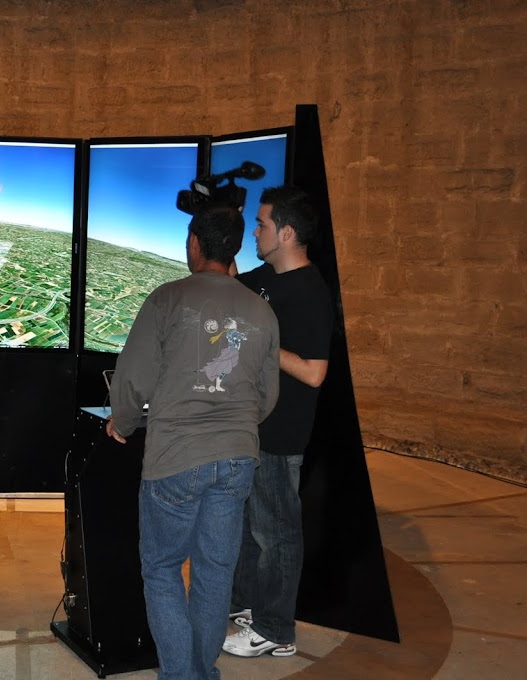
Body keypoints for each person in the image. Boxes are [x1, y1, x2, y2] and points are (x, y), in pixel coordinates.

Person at [105, 202, 279, 679]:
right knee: (215, 572)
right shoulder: (262, 311)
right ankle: (201, 672)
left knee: (162, 570)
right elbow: (267, 397)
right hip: (238, 459)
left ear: (195, 244)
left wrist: (123, 422)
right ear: (235, 249)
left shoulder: (168, 298)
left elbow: (133, 378)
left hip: (176, 457)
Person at [221, 186, 334, 658]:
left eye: (261, 224)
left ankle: (276, 630)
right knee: (252, 528)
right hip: (255, 427)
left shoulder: (310, 291)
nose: (256, 231)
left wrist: (262, 342)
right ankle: (249, 607)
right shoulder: (267, 276)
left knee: (278, 534)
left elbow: (314, 372)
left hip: (281, 433)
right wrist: (221, 222)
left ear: (286, 233)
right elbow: (231, 284)